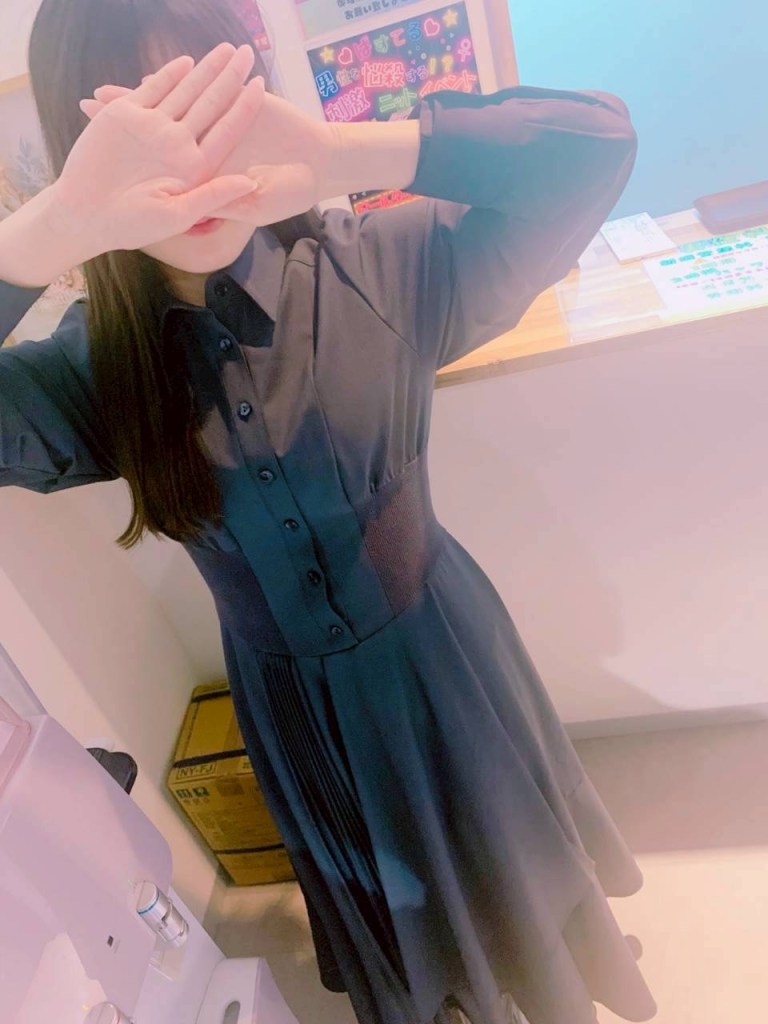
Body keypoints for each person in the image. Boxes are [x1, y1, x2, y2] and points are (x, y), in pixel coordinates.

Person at [0, 2, 656, 1023]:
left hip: (447, 667)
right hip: (299, 717)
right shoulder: (96, 373)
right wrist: (48, 232)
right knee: (403, 926)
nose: (191, 167)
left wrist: (336, 151)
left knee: (514, 875)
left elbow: (597, 145)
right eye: (146, 135)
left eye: (212, 109)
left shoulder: (381, 265)